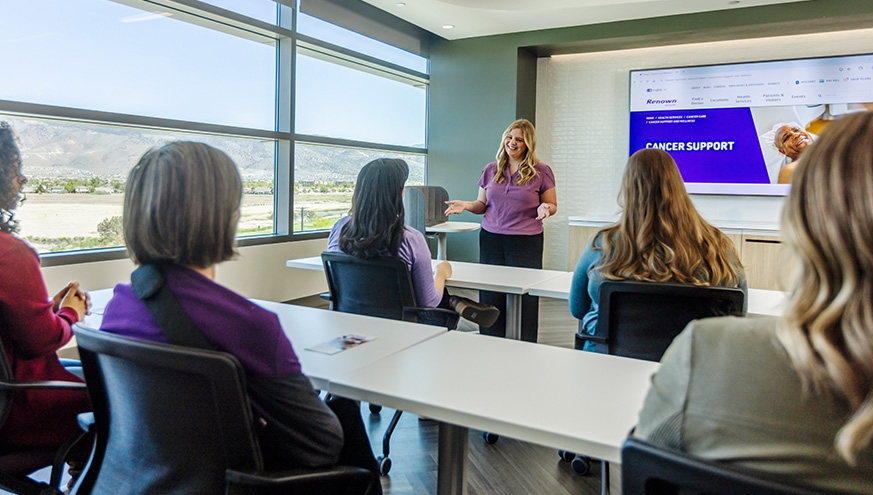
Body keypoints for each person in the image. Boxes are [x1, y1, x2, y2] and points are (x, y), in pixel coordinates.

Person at [99, 142, 382, 492]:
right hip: (240, 481)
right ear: (224, 218)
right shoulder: (248, 325)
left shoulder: (121, 305)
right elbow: (321, 444)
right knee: (343, 413)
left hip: (149, 479)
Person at [634, 111, 873, 493]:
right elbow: (738, 300)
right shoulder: (716, 245)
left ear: (804, 223)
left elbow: (650, 466)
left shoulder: (708, 351)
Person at [570, 148, 747, 351]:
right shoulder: (719, 245)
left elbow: (578, 308)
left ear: (628, 189)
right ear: (678, 186)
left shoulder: (603, 244)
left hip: (610, 363)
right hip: (692, 369)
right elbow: (739, 312)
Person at [0, 122, 91, 469]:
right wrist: (69, 314)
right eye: (15, 170)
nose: (21, 180)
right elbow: (43, 340)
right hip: (17, 409)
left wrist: (45, 308)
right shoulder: (10, 253)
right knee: (118, 400)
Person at [327, 158, 499, 327]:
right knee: (436, 291)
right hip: (404, 328)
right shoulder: (410, 238)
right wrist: (441, 272)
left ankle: (456, 302)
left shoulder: (339, 229)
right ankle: (455, 302)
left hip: (350, 322)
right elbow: (429, 301)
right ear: (398, 193)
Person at [444, 119, 556, 342]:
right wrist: (466, 205)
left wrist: (546, 208)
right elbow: (482, 205)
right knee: (490, 292)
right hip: (492, 238)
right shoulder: (491, 169)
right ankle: (491, 339)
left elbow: (552, 204)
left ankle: (523, 343)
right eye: (510, 137)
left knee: (524, 294)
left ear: (528, 144)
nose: (512, 142)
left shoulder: (541, 171)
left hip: (526, 240)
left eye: (519, 140)